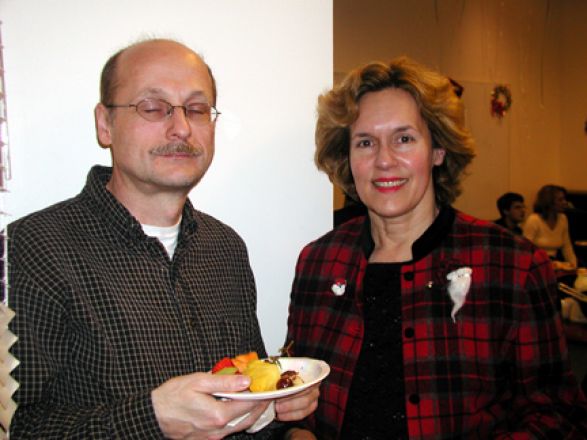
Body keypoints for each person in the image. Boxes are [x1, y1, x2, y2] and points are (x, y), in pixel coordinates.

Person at [6, 39, 318, 439]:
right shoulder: (31, 248)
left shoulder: (226, 248)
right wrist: (150, 419)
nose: (182, 127)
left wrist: (282, 416)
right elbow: (17, 426)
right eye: (153, 108)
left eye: (197, 108)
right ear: (105, 124)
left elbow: (244, 400)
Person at [284, 56, 587, 438]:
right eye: (365, 142)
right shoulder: (319, 263)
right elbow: (297, 388)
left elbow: (557, 413)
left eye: (404, 138)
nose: (384, 161)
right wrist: (296, 430)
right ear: (347, 157)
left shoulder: (513, 266)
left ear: (438, 150)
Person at [523, 184, 578, 271]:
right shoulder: (533, 220)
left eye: (564, 199)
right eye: (560, 200)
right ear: (548, 202)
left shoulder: (563, 218)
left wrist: (574, 266)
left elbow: (567, 246)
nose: (565, 202)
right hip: (536, 267)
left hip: (555, 266)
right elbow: (525, 250)